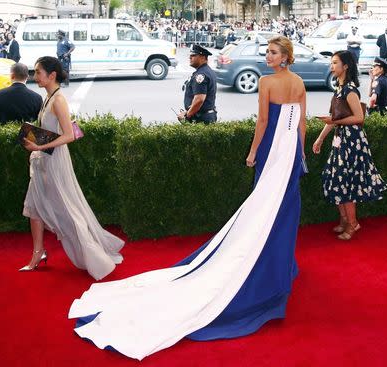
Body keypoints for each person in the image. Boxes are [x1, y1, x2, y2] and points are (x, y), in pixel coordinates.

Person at [68, 36, 307, 361]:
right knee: (281, 209)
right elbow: (301, 122)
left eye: (273, 52)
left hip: (272, 149)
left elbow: (264, 121)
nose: (268, 56)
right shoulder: (298, 83)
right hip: (290, 149)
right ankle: (280, 264)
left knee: (264, 207)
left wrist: (253, 152)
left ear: (285, 56)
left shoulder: (267, 82)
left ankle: (270, 263)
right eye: (268, 52)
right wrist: (300, 154)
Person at [20, 56, 124, 279]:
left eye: (38, 72)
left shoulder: (58, 100)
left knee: (68, 209)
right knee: (33, 206)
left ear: (52, 75)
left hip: (54, 161)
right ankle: (38, 252)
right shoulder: (48, 98)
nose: (34, 75)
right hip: (43, 159)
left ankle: (94, 255)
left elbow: (69, 135)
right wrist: (36, 144)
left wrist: (40, 145)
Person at [312, 50, 387, 240]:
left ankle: (352, 224)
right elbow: (334, 119)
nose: (332, 66)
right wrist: (320, 138)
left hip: (352, 142)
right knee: (336, 179)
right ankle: (345, 220)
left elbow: (359, 118)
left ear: (345, 66)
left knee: (345, 182)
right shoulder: (339, 87)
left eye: (335, 63)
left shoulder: (350, 89)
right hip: (341, 141)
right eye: (331, 63)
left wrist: (334, 122)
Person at [178, 44, 217, 124]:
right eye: (190, 55)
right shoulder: (207, 71)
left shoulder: (201, 75)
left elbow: (199, 99)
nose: (190, 57)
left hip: (201, 119)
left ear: (202, 57)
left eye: (193, 55)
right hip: (204, 116)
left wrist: (187, 115)